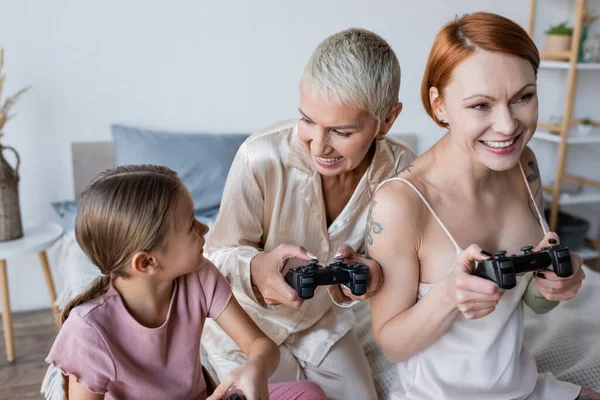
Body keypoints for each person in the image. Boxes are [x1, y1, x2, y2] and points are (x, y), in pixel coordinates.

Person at [367, 12, 599, 399]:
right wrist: (447, 295)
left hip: (524, 386)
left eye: (524, 97)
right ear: (439, 105)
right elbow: (392, 343)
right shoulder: (400, 203)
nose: (508, 126)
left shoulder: (525, 167)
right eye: (480, 106)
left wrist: (554, 284)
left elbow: (530, 304)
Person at [202, 28, 416, 399]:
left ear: (387, 121)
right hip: (244, 328)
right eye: (307, 121)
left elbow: (397, 268)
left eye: (341, 131)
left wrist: (372, 275)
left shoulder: (403, 174)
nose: (319, 145)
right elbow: (213, 256)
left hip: (322, 324)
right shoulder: (260, 158)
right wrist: (255, 268)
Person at [45, 165, 326, 400]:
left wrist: (257, 368)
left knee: (308, 393)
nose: (205, 228)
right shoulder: (87, 331)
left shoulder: (200, 277)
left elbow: (260, 345)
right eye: (192, 224)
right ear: (147, 262)